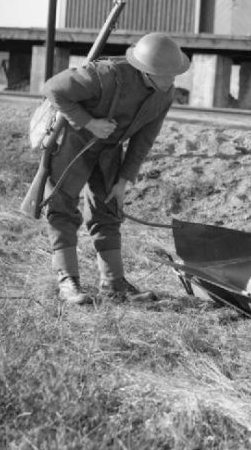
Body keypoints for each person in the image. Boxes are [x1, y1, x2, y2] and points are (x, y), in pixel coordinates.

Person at [41, 32, 190, 304]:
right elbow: (53, 89)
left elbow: (144, 140)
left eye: (174, 73)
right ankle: (68, 283)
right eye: (164, 74)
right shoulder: (105, 75)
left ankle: (114, 284)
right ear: (146, 70)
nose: (172, 80)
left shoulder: (163, 95)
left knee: (108, 209)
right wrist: (89, 123)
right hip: (75, 141)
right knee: (62, 207)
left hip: (109, 150)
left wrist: (123, 181)